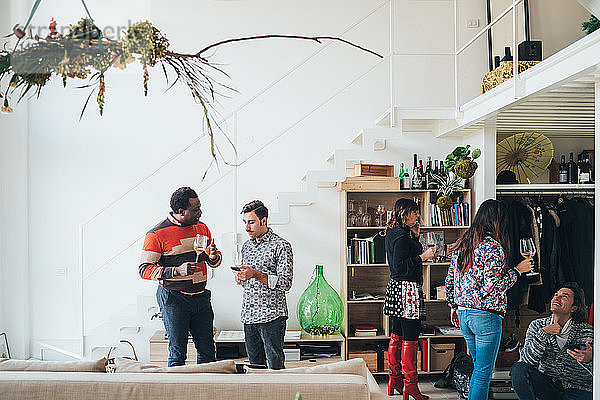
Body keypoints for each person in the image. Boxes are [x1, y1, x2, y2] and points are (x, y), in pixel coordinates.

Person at [445, 199, 532, 400]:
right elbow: (493, 287)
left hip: (464, 314)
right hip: (486, 317)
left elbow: (450, 280)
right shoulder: (493, 248)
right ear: (498, 221)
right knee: (483, 373)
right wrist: (518, 270)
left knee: (478, 369)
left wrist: (453, 307)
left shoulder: (463, 245)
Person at [139, 187, 222, 366]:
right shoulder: (156, 234)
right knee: (178, 353)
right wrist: (176, 271)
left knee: (208, 352)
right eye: (195, 210)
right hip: (174, 298)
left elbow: (211, 260)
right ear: (180, 211)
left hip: (201, 297)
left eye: (200, 207)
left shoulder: (202, 228)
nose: (200, 212)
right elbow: (144, 269)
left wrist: (214, 256)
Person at [233, 200, 293, 370]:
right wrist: (241, 278)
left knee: (275, 367)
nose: (246, 227)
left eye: (251, 222)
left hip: (272, 316)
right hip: (249, 315)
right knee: (254, 368)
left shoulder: (281, 246)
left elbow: (286, 283)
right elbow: (249, 281)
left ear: (264, 221)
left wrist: (256, 274)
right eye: (244, 222)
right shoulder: (246, 247)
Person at [384, 198, 435, 399]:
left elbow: (399, 263)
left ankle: (395, 380)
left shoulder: (395, 233)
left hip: (397, 289)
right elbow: (401, 266)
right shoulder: (402, 237)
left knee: (396, 334)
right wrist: (424, 256)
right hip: (408, 291)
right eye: (414, 212)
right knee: (411, 337)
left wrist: (415, 236)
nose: (417, 216)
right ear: (404, 213)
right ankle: (410, 385)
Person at [511, 283, 593, 400]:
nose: (556, 298)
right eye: (555, 295)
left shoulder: (587, 331)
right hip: (548, 388)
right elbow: (527, 361)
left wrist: (590, 359)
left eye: (564, 296)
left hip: (578, 390)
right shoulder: (537, 326)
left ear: (574, 308)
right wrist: (543, 333)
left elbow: (595, 372)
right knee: (518, 369)